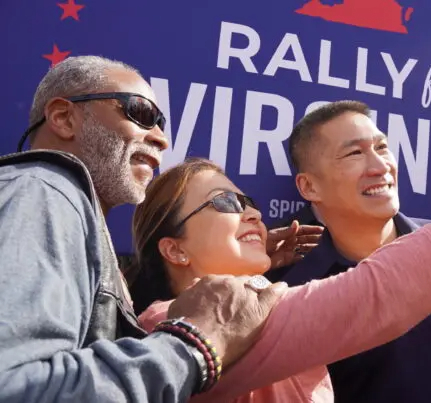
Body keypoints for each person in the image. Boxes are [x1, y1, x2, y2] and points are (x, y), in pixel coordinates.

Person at [131, 74, 431, 402]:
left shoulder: (263, 298)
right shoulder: (184, 333)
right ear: (174, 248)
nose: (251, 213)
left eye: (382, 147)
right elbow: (377, 295)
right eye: (226, 204)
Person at [0, 55, 303, 402]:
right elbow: (15, 387)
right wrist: (195, 342)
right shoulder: (42, 191)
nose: (161, 139)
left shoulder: (62, 214)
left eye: (161, 123)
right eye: (141, 114)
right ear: (63, 118)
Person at [266, 99, 431, 403]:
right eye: (354, 153)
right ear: (309, 187)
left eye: (381, 147)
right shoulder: (284, 288)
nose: (380, 166)